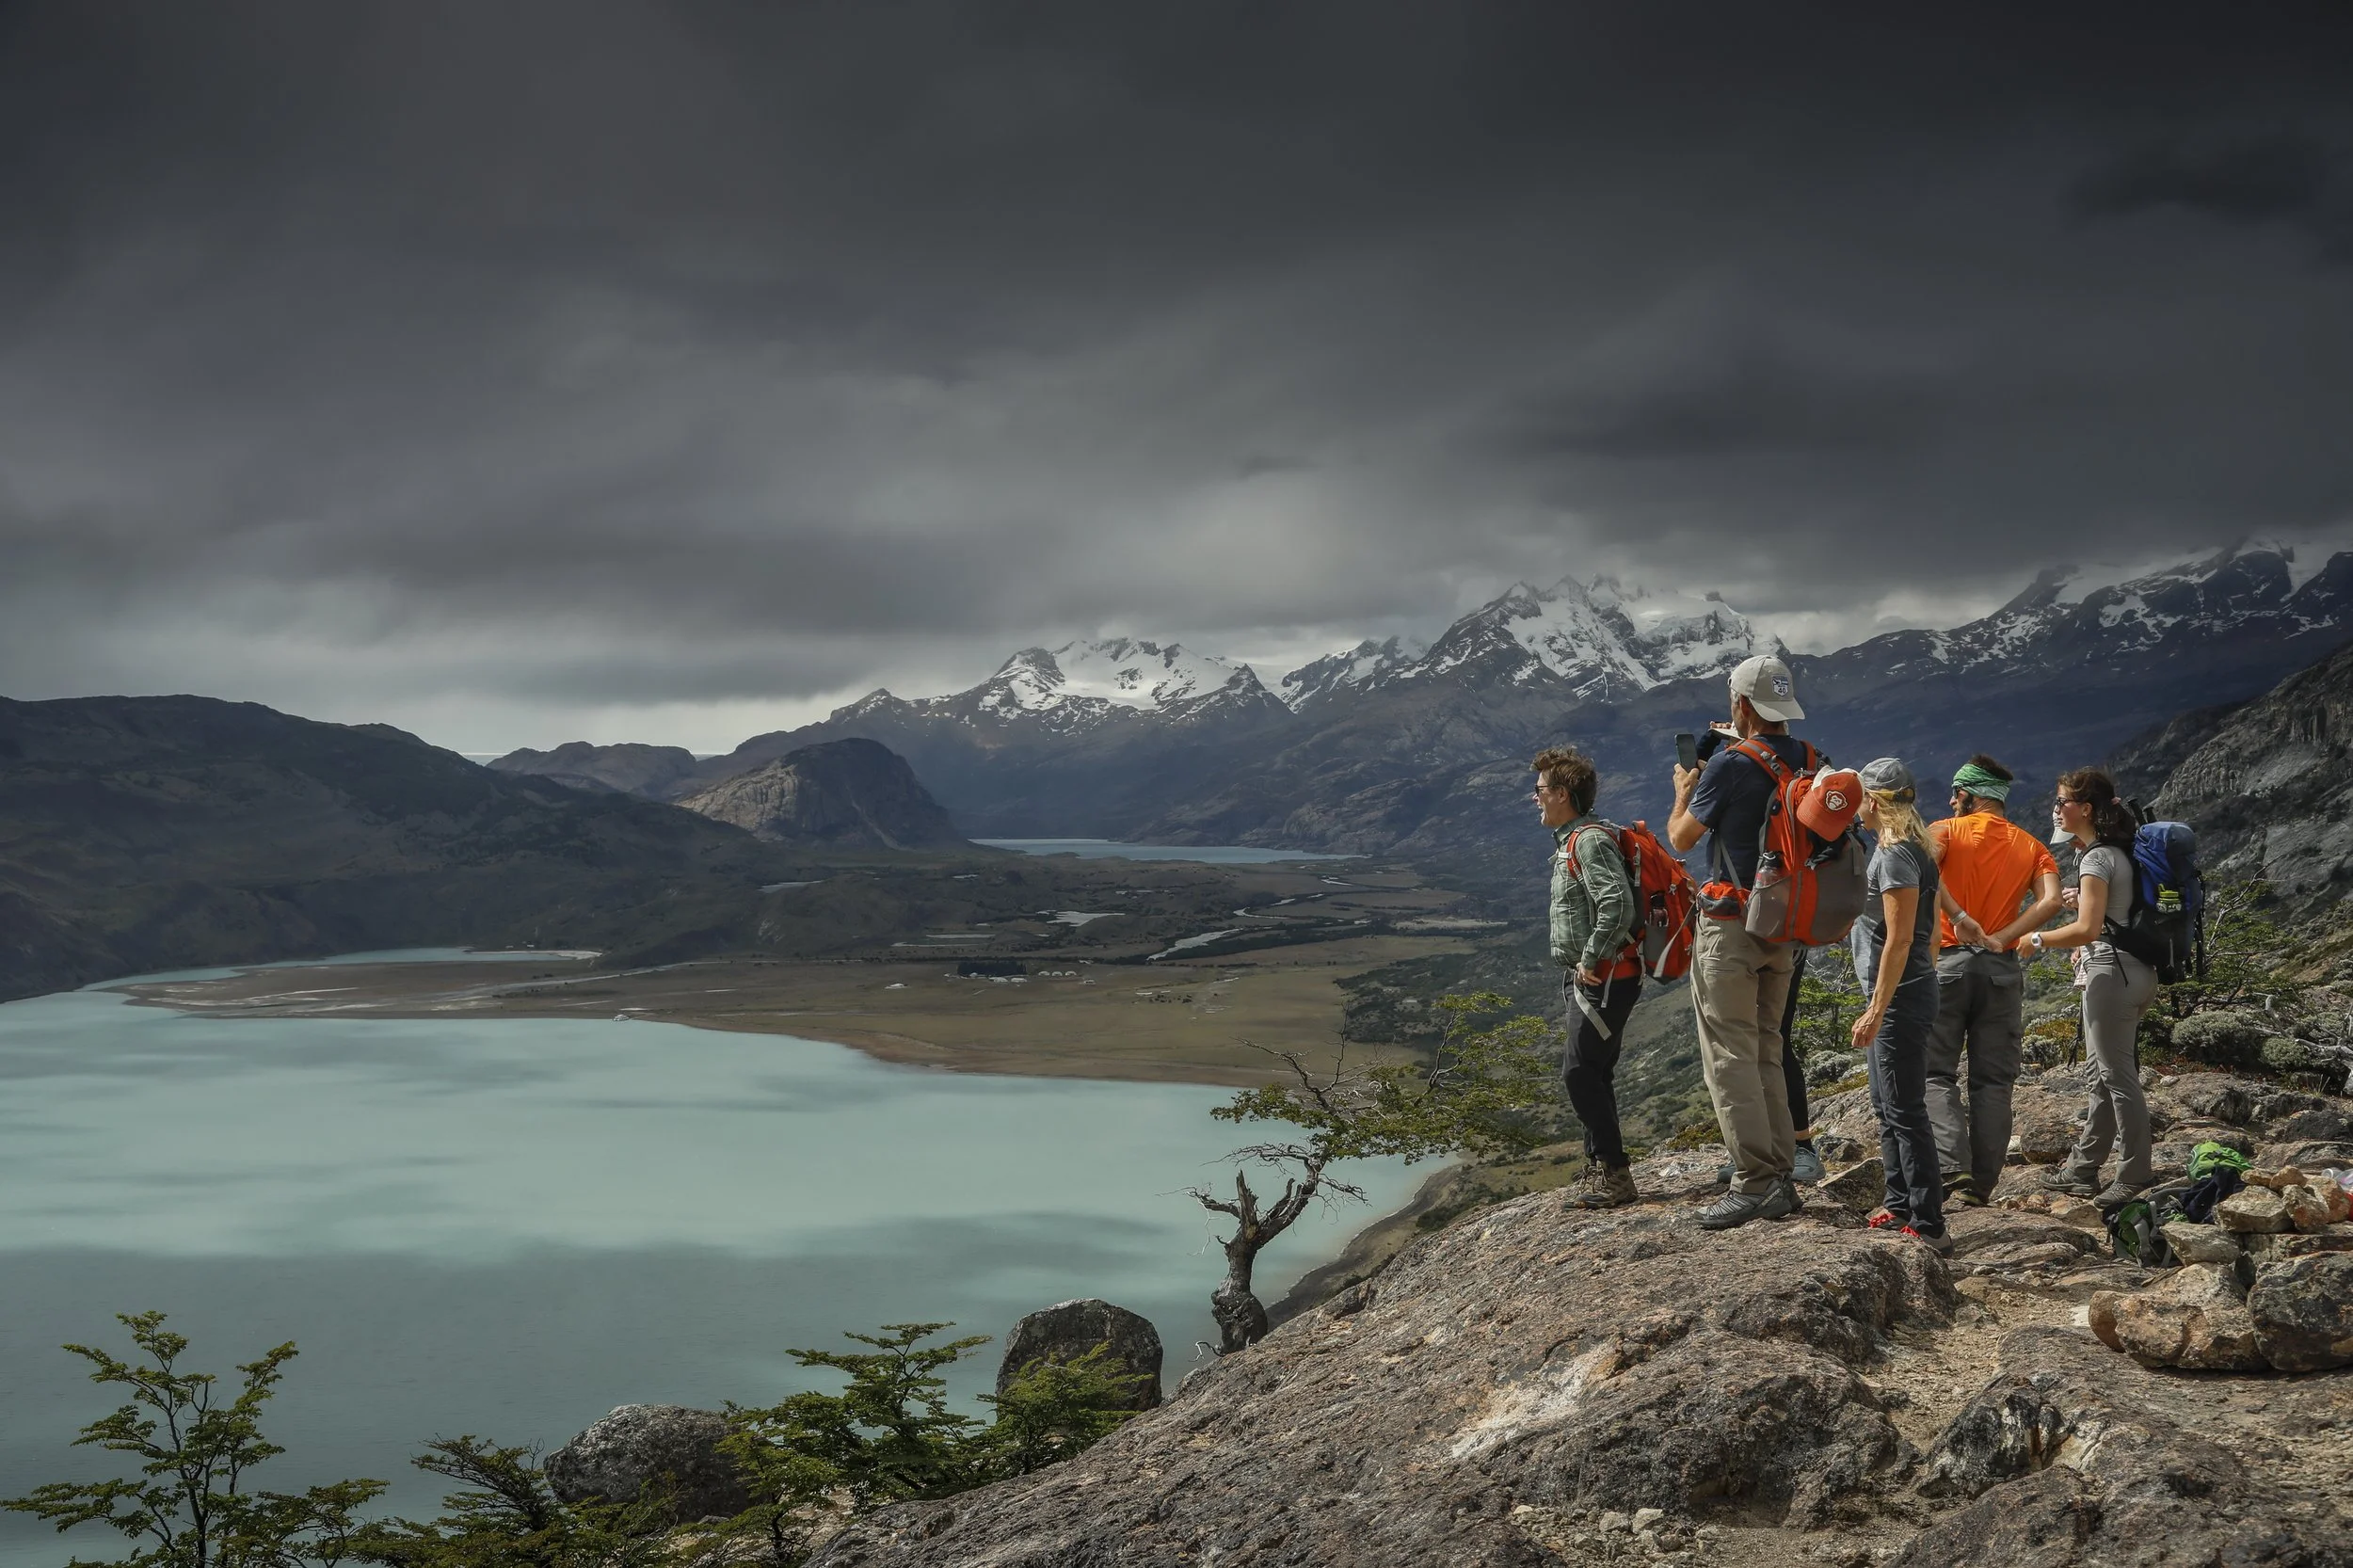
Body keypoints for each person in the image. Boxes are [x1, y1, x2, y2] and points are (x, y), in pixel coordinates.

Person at [1667, 653, 1811, 1229]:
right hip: (1787, 925)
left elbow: (1681, 839)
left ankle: (1755, 1182)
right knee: (1768, 1047)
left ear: (1741, 705)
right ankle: (1780, 1171)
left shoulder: (1728, 764)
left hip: (1732, 924)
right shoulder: (1810, 759)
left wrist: (1685, 788)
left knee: (1730, 1055)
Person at [1924, 755, 2063, 1207]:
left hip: (1947, 966)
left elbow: (1921, 873)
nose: (1951, 801)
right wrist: (2005, 936)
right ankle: (1980, 1187)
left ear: (1968, 795)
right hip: (2000, 970)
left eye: (1955, 794)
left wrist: (1957, 916)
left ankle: (1952, 1168)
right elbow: (2051, 901)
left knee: (1933, 1072)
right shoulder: (2032, 846)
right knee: (1993, 1083)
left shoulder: (1945, 831)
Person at [2031, 767, 2158, 1205]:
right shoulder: (2118, 851)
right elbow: (2110, 915)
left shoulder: (2096, 859)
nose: (2055, 809)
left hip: (2111, 975)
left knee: (2118, 1079)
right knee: (2101, 1077)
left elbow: (2087, 930)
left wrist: (2035, 939)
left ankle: (2135, 1174)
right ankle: (2082, 1170)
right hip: (2135, 972)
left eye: (2061, 802)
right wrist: (2082, 902)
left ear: (2085, 809)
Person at [1533, 745, 1642, 1209]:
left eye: (1540, 789)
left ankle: (1615, 1175)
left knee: (1579, 1073)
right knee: (1595, 1072)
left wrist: (1591, 958)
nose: (1535, 797)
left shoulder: (1588, 841)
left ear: (1562, 794)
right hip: (1599, 975)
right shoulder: (1575, 839)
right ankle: (1600, 1169)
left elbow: (1617, 904)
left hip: (1605, 976)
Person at [1849, 758, 1947, 1252]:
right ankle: (1900, 1203)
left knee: (1904, 1109)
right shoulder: (1914, 847)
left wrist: (1877, 1008)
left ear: (1873, 801)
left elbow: (1901, 938)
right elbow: (1931, 932)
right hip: (1905, 991)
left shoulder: (1892, 856)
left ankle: (1929, 1224)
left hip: (1899, 996)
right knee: (1886, 1105)